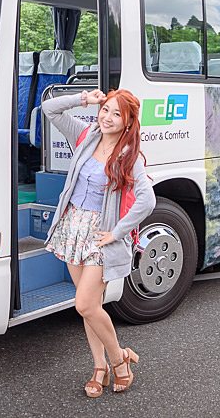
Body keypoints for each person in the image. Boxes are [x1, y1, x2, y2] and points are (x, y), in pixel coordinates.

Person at [42, 88, 157, 398]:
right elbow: (49, 108)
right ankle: (100, 367)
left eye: (116, 113)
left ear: (129, 121)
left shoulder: (129, 156)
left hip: (99, 235)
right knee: (89, 308)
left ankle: (120, 360)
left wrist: (118, 232)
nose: (107, 117)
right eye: (105, 109)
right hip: (72, 228)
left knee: (85, 303)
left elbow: (147, 200)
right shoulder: (86, 135)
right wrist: (85, 99)